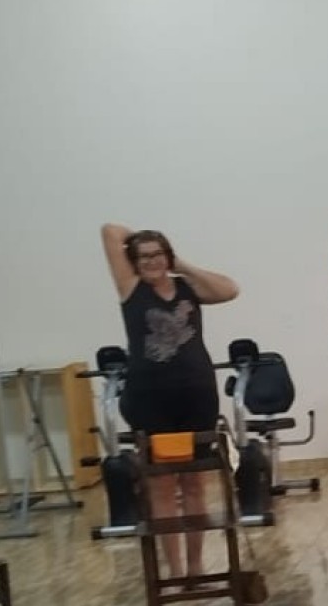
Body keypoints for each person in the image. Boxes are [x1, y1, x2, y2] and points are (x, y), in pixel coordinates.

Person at [100, 225, 239, 579]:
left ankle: (195, 566)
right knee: (161, 484)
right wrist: (144, 235)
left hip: (196, 394)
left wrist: (182, 264)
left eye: (157, 254)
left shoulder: (188, 288)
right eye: (143, 256)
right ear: (134, 260)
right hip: (150, 399)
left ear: (168, 256)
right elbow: (109, 231)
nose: (151, 262)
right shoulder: (131, 288)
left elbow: (230, 289)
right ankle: (175, 570)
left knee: (194, 484)